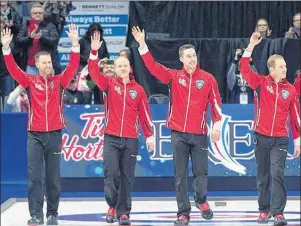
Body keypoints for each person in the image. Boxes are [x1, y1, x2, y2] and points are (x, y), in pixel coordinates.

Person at [132, 26, 222, 225]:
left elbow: (216, 104)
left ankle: (201, 199)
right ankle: (183, 213)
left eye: (193, 55)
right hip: (178, 134)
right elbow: (153, 67)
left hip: (199, 134)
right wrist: (142, 45)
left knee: (201, 173)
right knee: (180, 175)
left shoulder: (208, 79)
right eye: (188, 56)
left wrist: (216, 126)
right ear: (181, 59)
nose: (192, 59)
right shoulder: (174, 76)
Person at [1, 24, 80, 225]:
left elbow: (72, 66)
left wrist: (75, 44)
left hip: (54, 135)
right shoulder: (29, 81)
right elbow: (12, 69)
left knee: (53, 178)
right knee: (34, 178)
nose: (47, 65)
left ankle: (52, 213)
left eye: (49, 62)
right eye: (43, 63)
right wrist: (6, 49)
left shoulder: (60, 81)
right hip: (34, 136)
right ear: (37, 65)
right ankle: (36, 214)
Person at [88, 32, 155, 225]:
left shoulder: (139, 90)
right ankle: (112, 204)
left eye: (125, 65)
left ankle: (123, 212)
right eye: (119, 66)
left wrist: (149, 136)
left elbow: (145, 115)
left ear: (129, 68)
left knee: (126, 177)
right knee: (111, 174)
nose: (123, 68)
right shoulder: (108, 84)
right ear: (115, 69)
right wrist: (93, 51)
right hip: (111, 137)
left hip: (131, 139)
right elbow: (93, 71)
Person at [240, 32, 300, 226]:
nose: (285, 69)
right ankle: (264, 210)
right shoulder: (260, 83)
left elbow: (295, 117)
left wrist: (297, 141)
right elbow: (243, 68)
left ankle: (278, 213)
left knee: (277, 174)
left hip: (281, 139)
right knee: (263, 175)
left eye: (285, 66)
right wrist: (250, 46)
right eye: (281, 67)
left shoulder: (290, 89)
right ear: (271, 69)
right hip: (262, 137)